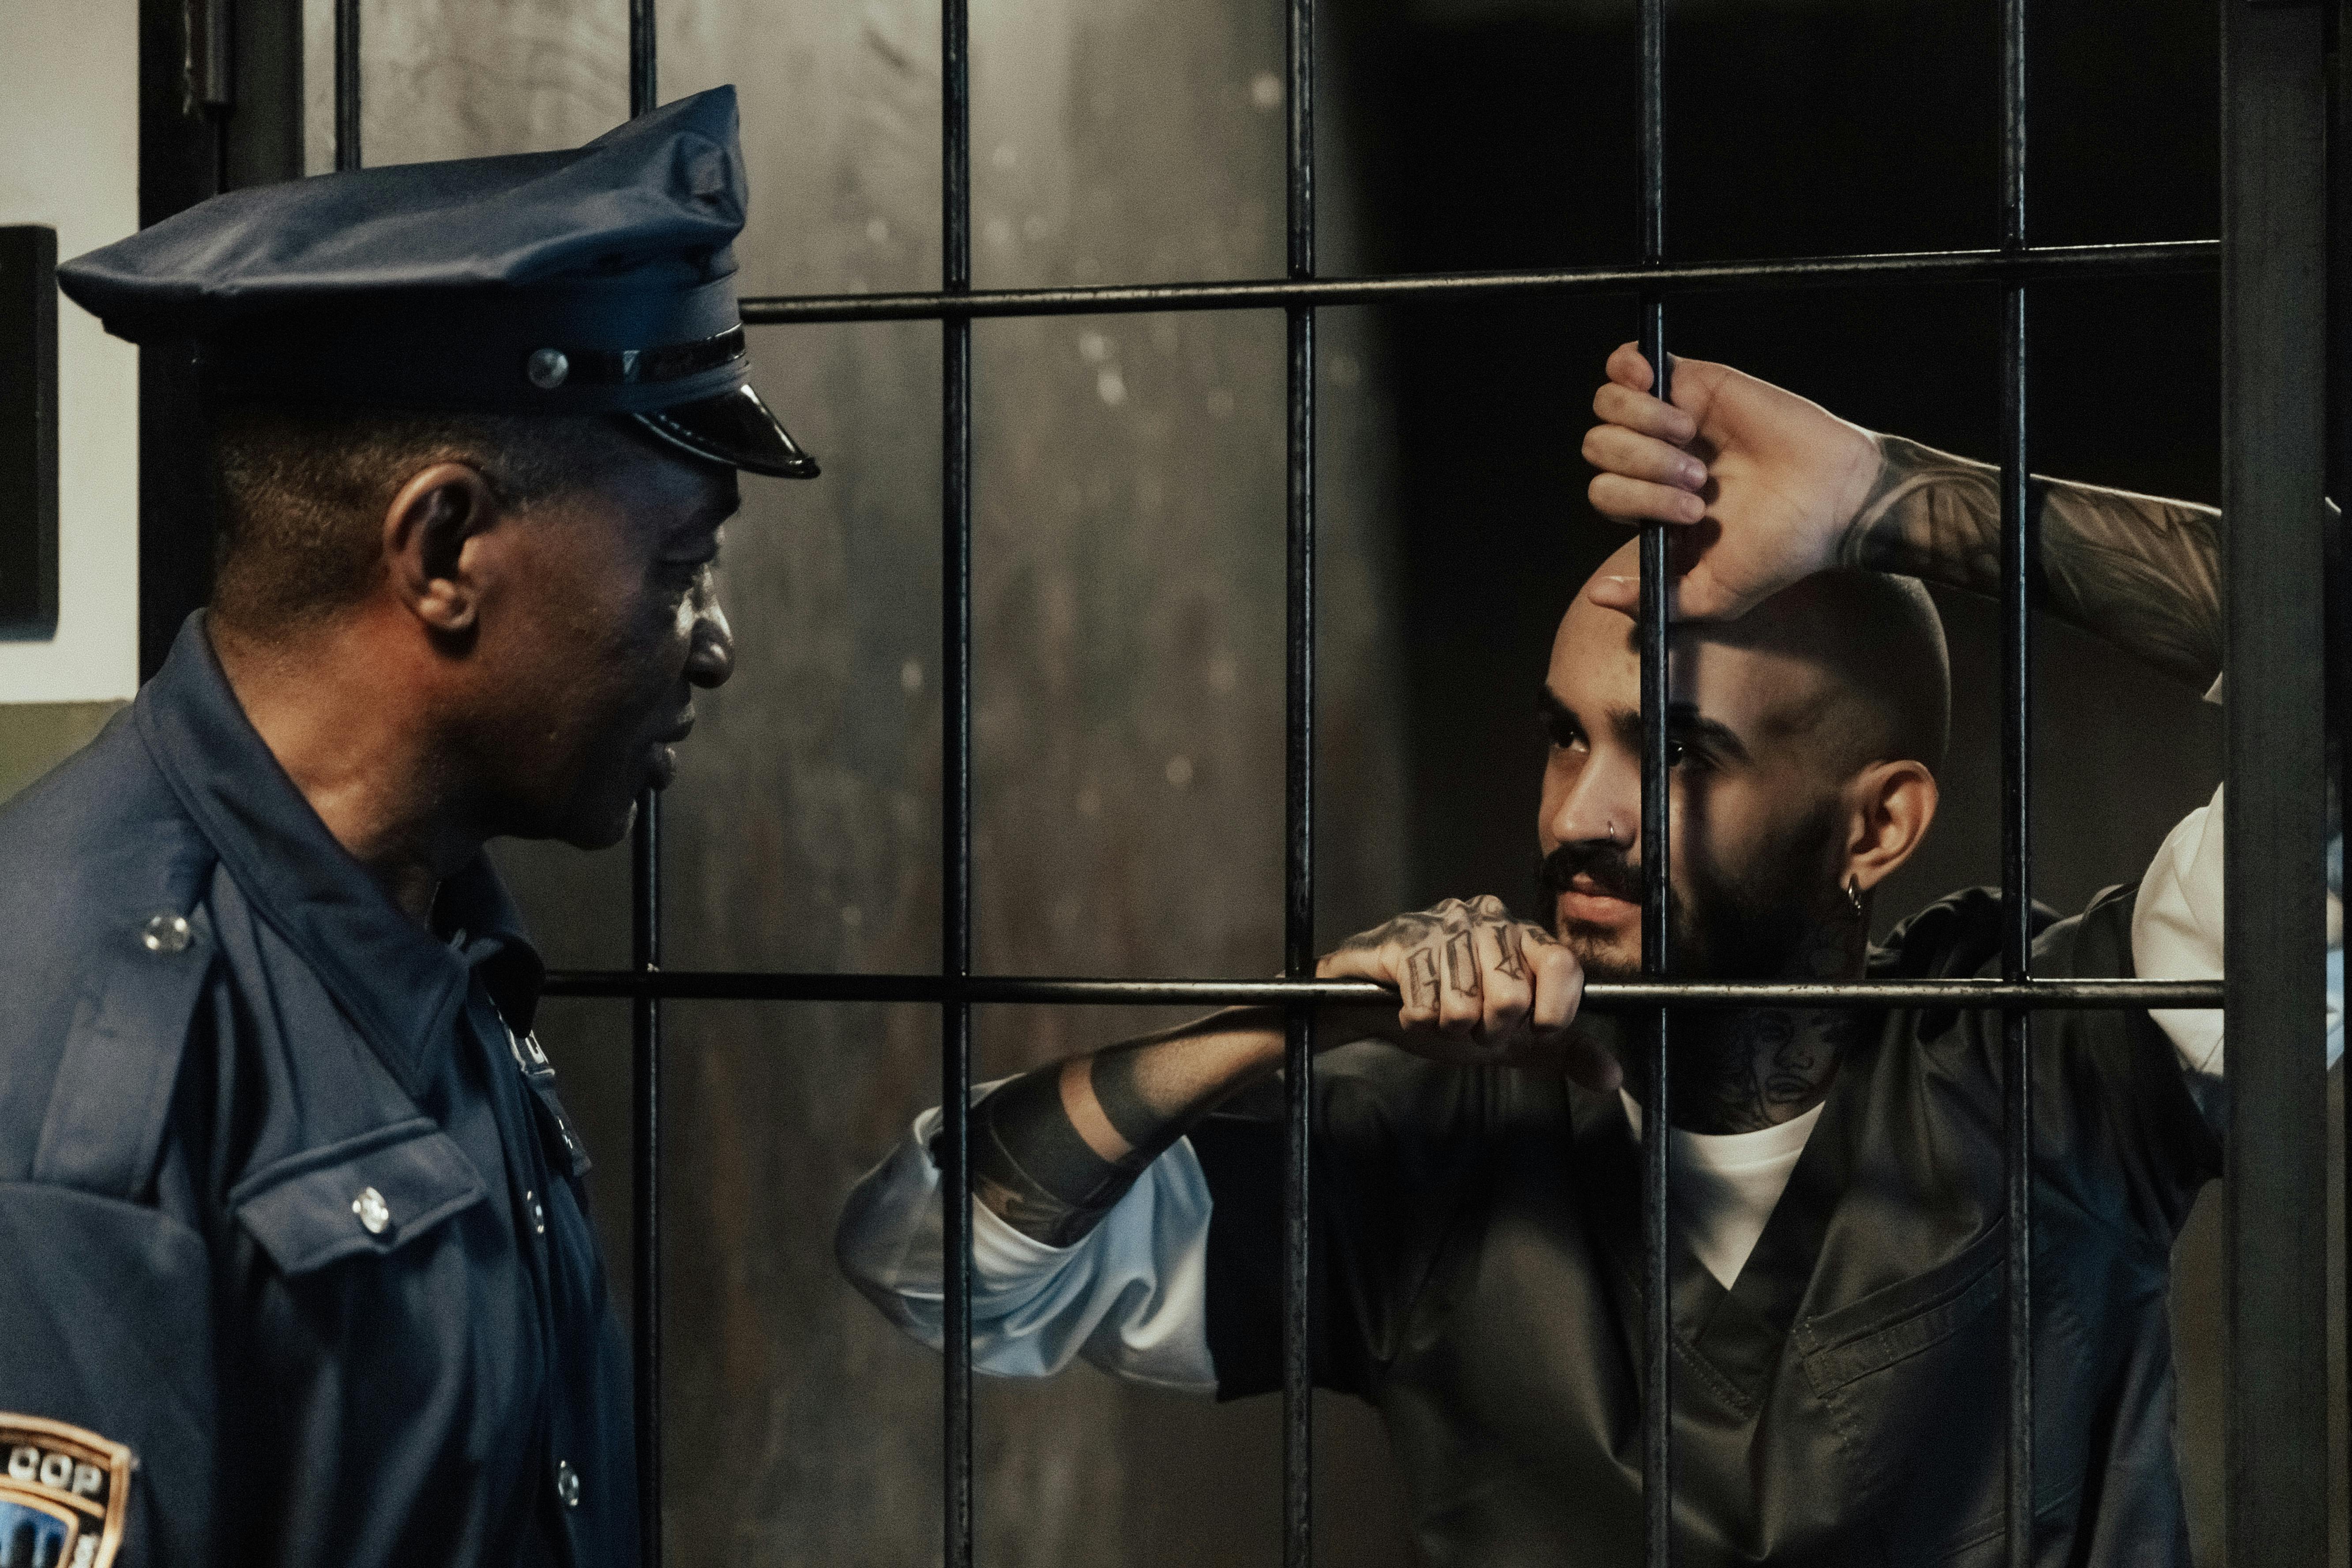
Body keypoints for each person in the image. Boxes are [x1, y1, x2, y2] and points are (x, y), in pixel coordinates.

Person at [836, 345, 2332, 1564]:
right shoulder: (1428, 1152)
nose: (1580, 812)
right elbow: (933, 1262)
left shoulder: (2060, 1070)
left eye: (1673, 752)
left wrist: (1891, 498)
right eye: (1566, 735)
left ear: (1875, 828)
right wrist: (1290, 1021)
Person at [0, 86, 814, 1568]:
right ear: (444, 550)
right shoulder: (90, 1058)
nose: (711, 643)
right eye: (675, 566)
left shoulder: (419, 923)